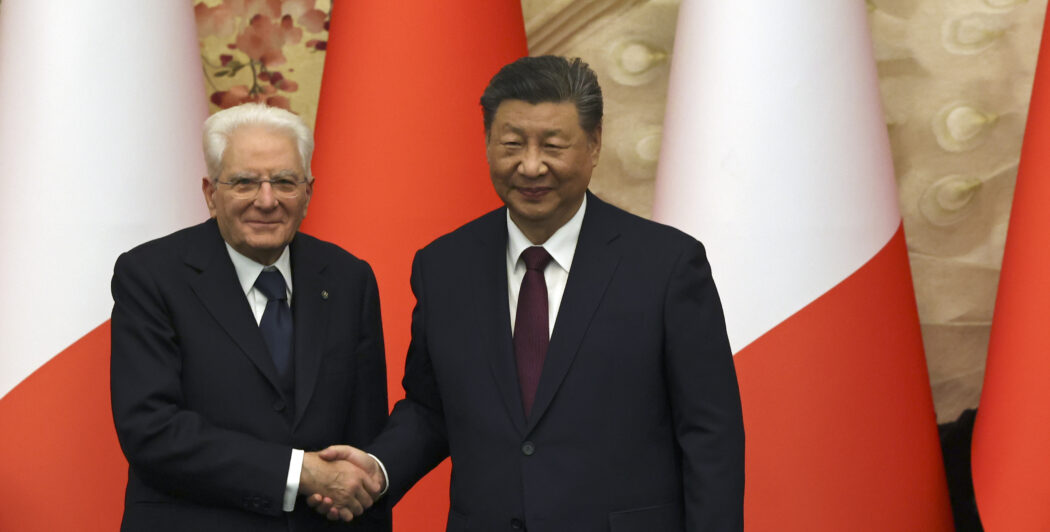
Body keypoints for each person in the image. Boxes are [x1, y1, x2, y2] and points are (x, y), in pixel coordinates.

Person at [312, 56, 745, 531]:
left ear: (594, 143)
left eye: (553, 145)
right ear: (488, 143)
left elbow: (710, 436)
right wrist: (378, 467)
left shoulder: (666, 265)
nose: (531, 166)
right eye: (513, 144)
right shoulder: (443, 267)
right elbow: (432, 408)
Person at [110, 103, 390, 531]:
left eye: (284, 182)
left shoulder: (350, 278)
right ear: (210, 193)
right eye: (244, 182)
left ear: (309, 192)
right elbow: (151, 430)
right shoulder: (151, 275)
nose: (266, 200)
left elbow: (364, 442)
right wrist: (297, 472)